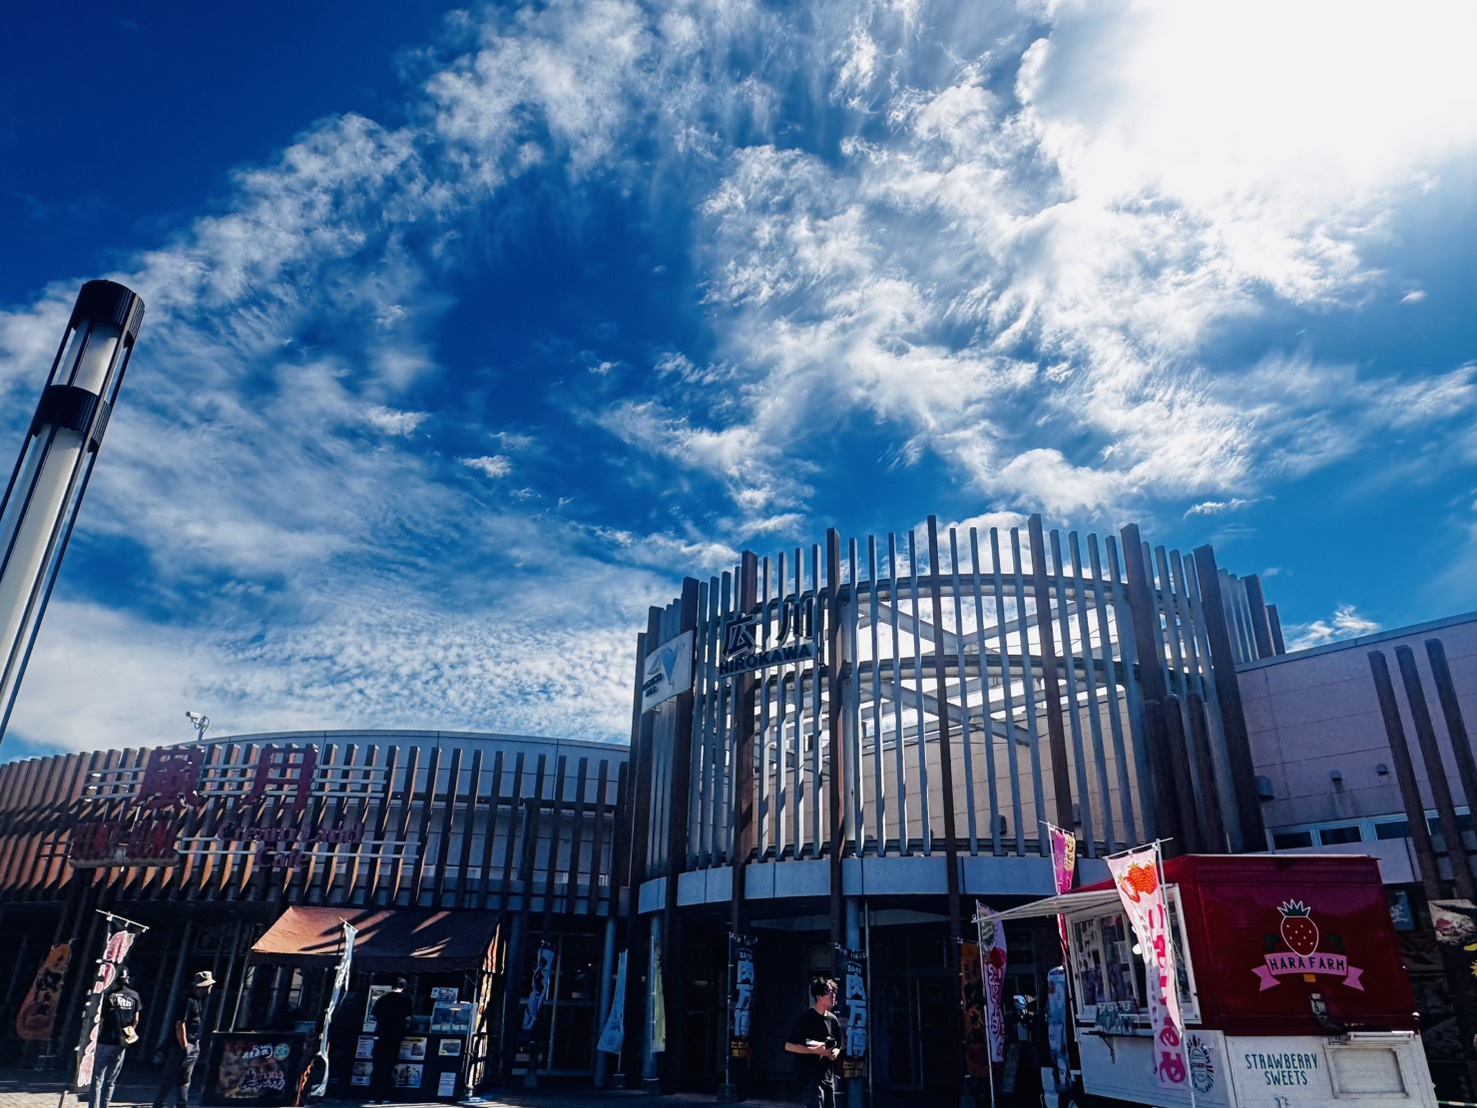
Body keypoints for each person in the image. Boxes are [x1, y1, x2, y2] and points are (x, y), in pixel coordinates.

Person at [151, 971, 215, 1108]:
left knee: (185, 1077)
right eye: (209, 986)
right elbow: (180, 1024)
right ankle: (158, 1103)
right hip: (183, 1044)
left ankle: (181, 1103)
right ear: (203, 987)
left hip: (193, 1042)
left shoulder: (200, 1001)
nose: (210, 989)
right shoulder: (188, 1001)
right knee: (171, 1076)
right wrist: (184, 1045)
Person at [785, 977, 842, 1108]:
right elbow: (789, 1045)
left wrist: (834, 1052)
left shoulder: (833, 1020)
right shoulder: (805, 1019)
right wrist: (815, 1050)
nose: (833, 995)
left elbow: (838, 1044)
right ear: (819, 997)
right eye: (829, 992)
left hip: (827, 1077)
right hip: (809, 1077)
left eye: (834, 992)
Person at [92, 966, 142, 1108]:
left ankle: (94, 1106)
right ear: (127, 979)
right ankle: (105, 1105)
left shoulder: (109, 995)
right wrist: (128, 1034)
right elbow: (136, 1020)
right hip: (122, 1042)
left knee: (98, 1078)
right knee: (111, 1079)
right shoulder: (135, 996)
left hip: (106, 1039)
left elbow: (101, 1019)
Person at [368, 978, 413, 1104]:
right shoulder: (405, 1000)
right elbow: (408, 1019)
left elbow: (372, 1016)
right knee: (389, 1066)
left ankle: (374, 1095)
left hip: (381, 1034)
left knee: (377, 1065)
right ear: (403, 987)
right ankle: (385, 1095)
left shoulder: (382, 999)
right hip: (395, 1036)